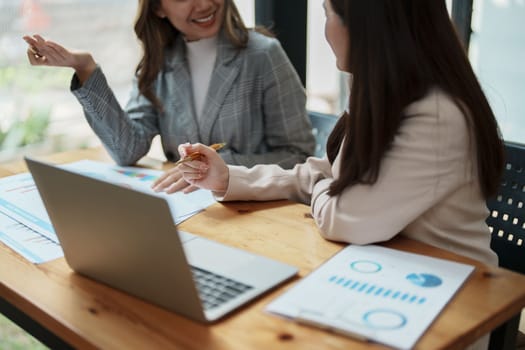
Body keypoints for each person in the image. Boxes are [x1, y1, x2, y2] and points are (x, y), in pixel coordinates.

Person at [155, 1, 504, 348]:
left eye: (327, 14)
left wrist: (329, 187)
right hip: (377, 272)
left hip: (444, 306)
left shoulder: (436, 116)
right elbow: (324, 172)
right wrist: (228, 178)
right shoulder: (380, 87)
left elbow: (346, 217)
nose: (326, 32)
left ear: (365, 26)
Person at [23, 0, 315, 191]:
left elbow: (297, 155)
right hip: (189, 215)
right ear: (158, 8)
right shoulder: (160, 62)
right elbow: (127, 150)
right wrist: (84, 68)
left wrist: (220, 167)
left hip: (252, 215)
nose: (204, 4)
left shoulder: (262, 55)